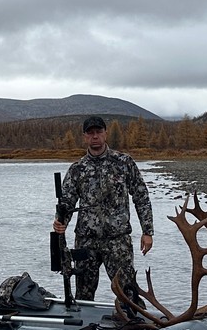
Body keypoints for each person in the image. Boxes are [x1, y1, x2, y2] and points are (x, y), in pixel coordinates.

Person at [52, 115, 154, 303]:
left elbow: (141, 196)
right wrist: (61, 222)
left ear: (105, 134)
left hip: (118, 241)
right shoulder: (78, 169)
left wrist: (147, 231)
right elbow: (67, 201)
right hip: (86, 242)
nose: (95, 136)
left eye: (98, 132)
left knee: (128, 295)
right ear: (84, 137)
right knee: (83, 296)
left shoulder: (124, 162)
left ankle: (134, 326)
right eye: (90, 133)